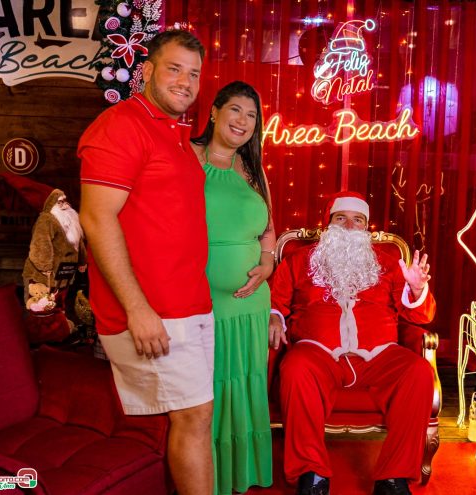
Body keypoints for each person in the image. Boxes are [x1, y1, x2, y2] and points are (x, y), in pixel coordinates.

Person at [77, 30, 214, 495]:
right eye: (174, 69)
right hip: (153, 310)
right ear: (147, 70)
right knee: (193, 415)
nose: (185, 82)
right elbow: (96, 219)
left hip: (189, 305)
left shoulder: (174, 134)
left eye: (193, 74)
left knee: (194, 416)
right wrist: (137, 308)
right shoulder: (121, 125)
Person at [269, 191, 436, 495]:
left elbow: (420, 317)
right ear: (328, 224)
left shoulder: (389, 264)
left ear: (366, 226)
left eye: (357, 220)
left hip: (380, 355)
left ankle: (394, 478)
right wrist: (274, 318)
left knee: (419, 372)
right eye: (341, 218)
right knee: (295, 368)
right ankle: (311, 474)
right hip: (317, 352)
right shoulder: (299, 261)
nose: (349, 226)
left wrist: (415, 290)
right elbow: (275, 301)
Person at [190, 81, 275, 495]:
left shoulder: (253, 167)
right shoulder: (187, 155)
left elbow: (269, 229)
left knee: (246, 384)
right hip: (203, 301)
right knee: (210, 389)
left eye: (252, 115)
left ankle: (243, 474)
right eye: (236, 110)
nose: (243, 121)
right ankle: (207, 480)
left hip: (252, 304)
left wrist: (267, 263)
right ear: (214, 112)